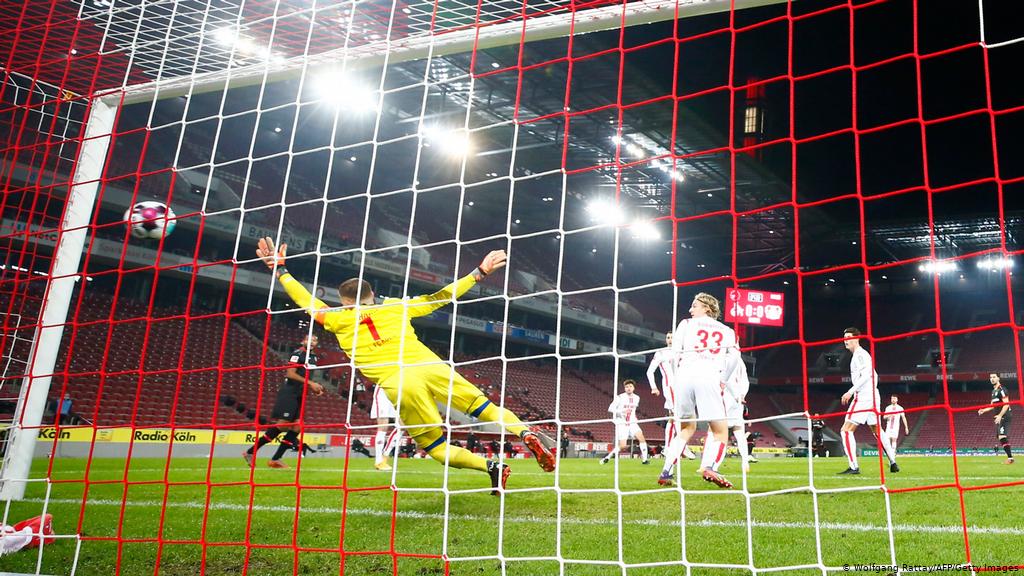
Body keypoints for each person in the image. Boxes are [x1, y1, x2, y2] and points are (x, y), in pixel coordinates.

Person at [257, 238, 555, 495]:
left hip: (399, 381)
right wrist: (479, 272)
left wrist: (280, 270)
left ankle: (489, 465)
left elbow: (305, 299)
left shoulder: (336, 319)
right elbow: (441, 297)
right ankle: (523, 433)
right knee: (486, 408)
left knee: (437, 447)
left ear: (344, 302)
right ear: (371, 295)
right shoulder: (396, 306)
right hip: (431, 366)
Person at [658, 293, 740, 489]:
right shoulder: (727, 331)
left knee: (686, 428)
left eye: (695, 306)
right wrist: (723, 379)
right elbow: (735, 358)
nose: (690, 310)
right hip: (709, 377)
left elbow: (675, 353)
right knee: (720, 431)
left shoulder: (685, 324)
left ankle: (666, 472)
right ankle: (711, 467)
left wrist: (679, 376)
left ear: (707, 309)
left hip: (684, 377)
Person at [244, 334, 324, 469]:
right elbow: (290, 374)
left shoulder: (314, 357)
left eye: (315, 340)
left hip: (300, 394)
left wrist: (315, 387)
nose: (312, 342)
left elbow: (305, 376)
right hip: (289, 394)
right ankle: (250, 452)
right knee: (282, 425)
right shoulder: (297, 354)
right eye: (309, 339)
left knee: (298, 426)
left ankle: (275, 459)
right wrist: (311, 383)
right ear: (302, 341)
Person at [838, 327, 898, 475]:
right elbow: (874, 374)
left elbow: (867, 375)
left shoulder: (860, 355)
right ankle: (893, 462)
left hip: (863, 396)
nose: (847, 340)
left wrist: (850, 392)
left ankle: (853, 467)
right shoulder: (862, 355)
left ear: (857, 338)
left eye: (849, 337)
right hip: (873, 395)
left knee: (845, 431)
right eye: (845, 338)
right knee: (877, 430)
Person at [647, 332, 696, 462]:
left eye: (672, 337)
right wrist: (653, 386)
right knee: (677, 416)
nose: (670, 339)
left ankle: (668, 447)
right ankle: (682, 446)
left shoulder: (682, 351)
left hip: (683, 386)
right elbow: (650, 371)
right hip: (671, 387)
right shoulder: (661, 353)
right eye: (668, 337)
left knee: (672, 418)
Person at [601, 380, 650, 464]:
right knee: (623, 446)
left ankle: (645, 460)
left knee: (641, 438)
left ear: (633, 388)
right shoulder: (619, 397)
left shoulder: (637, 398)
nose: (628, 388)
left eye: (630, 386)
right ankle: (608, 457)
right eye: (627, 387)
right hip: (622, 423)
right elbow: (610, 409)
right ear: (624, 388)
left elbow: (633, 410)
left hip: (632, 422)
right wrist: (622, 411)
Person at [978, 373, 1014, 464]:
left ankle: (1010, 459)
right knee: (1000, 437)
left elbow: (1006, 404)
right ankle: (1010, 458)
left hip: (1005, 415)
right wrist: (983, 410)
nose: (992, 379)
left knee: (1002, 436)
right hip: (999, 416)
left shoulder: (1002, 390)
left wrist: (1000, 415)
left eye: (994, 377)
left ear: (998, 378)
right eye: (990, 377)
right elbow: (992, 405)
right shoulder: (993, 391)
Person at [370, 383, 404, 471]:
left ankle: (385, 456)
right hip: (384, 389)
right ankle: (378, 461)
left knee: (403, 425)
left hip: (398, 390)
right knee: (383, 425)